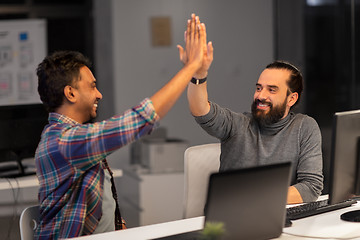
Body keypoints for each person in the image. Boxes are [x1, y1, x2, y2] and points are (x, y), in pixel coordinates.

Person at [34, 14, 209, 239]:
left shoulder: (71, 137)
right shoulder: (64, 141)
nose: (99, 94)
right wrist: (191, 67)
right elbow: (139, 120)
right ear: (70, 93)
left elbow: (100, 201)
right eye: (92, 86)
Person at [180, 37, 323, 203]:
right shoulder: (237, 125)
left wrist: (254, 197)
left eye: (272, 90)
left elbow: (311, 187)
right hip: (229, 221)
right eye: (258, 88)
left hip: (277, 218)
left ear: (291, 99)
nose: (261, 96)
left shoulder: (304, 127)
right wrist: (199, 74)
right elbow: (201, 110)